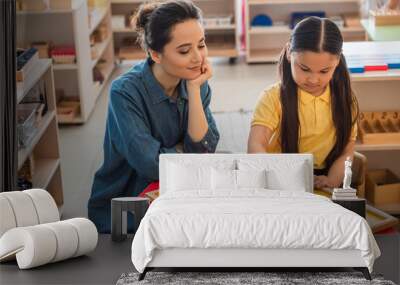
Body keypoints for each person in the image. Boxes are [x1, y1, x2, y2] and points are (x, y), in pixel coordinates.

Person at [88, 0, 220, 233]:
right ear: (155, 55)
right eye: (184, 50)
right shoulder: (124, 92)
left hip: (177, 194)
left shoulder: (196, 81)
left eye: (201, 45)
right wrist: (184, 151)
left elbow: (205, 151)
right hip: (128, 206)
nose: (198, 58)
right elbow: (151, 165)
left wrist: (194, 91)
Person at [247, 17, 359, 190]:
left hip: (326, 181)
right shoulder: (272, 97)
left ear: (337, 62)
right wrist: (283, 178)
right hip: (280, 179)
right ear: (289, 52)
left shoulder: (345, 100)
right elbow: (255, 146)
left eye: (324, 71)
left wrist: (331, 180)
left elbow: (347, 151)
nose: (313, 79)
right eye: (304, 69)